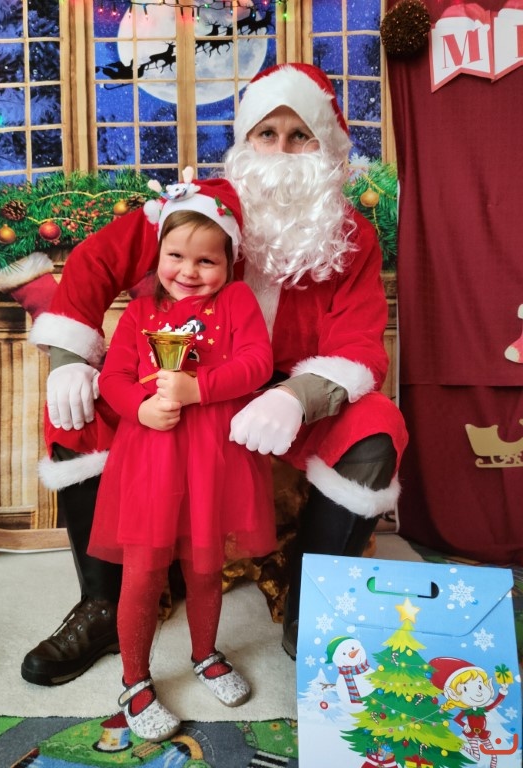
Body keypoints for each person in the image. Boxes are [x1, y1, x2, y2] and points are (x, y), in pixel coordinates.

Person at [24, 62, 408, 686]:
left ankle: (313, 605)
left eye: (300, 136)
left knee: (377, 425)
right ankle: (103, 603)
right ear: (244, 140)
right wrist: (69, 359)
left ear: (327, 147)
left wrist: (297, 396)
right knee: (74, 407)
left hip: (283, 402)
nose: (281, 152)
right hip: (183, 391)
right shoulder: (197, 207)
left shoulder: (351, 236)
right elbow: (95, 262)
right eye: (266, 134)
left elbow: (359, 342)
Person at [86, 177, 275, 741]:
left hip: (214, 460)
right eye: (176, 256)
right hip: (151, 460)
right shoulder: (140, 312)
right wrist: (140, 409)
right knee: (143, 572)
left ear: (229, 263)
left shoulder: (236, 301)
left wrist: (200, 388)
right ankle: (134, 680)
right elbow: (114, 379)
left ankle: (204, 653)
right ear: (159, 253)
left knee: (205, 566)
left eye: (206, 260)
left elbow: (258, 363)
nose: (189, 271)